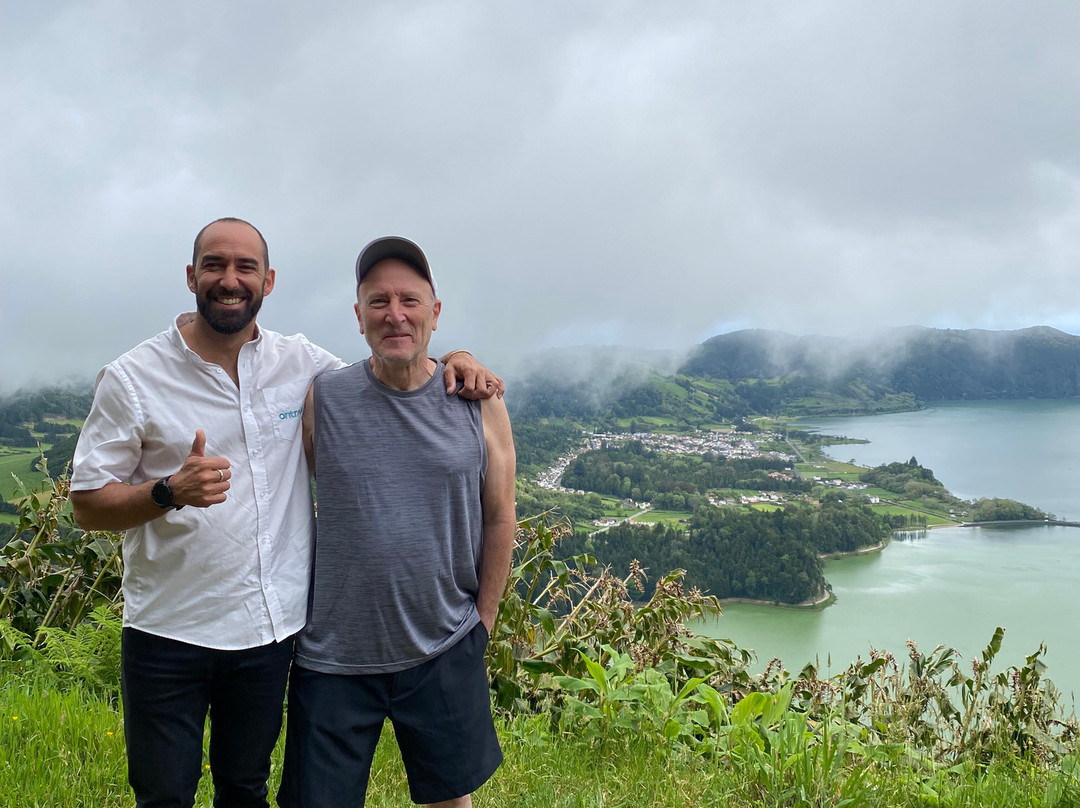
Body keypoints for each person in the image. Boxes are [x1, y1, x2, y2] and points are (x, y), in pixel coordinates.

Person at [69, 218, 501, 808]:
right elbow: (87, 503)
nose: (229, 280)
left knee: (244, 790)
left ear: (267, 281)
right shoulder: (134, 377)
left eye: (245, 267)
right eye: (215, 266)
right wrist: (166, 491)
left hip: (266, 633)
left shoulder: (301, 365)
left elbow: (397, 357)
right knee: (164, 795)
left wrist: (460, 355)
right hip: (169, 631)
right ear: (191, 276)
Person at [277, 236, 516, 808]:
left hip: (445, 642)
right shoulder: (324, 398)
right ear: (358, 316)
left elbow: (500, 515)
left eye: (409, 300)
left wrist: (483, 619)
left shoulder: (477, 401)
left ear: (435, 312)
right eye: (378, 301)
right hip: (332, 651)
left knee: (448, 801)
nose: (395, 314)